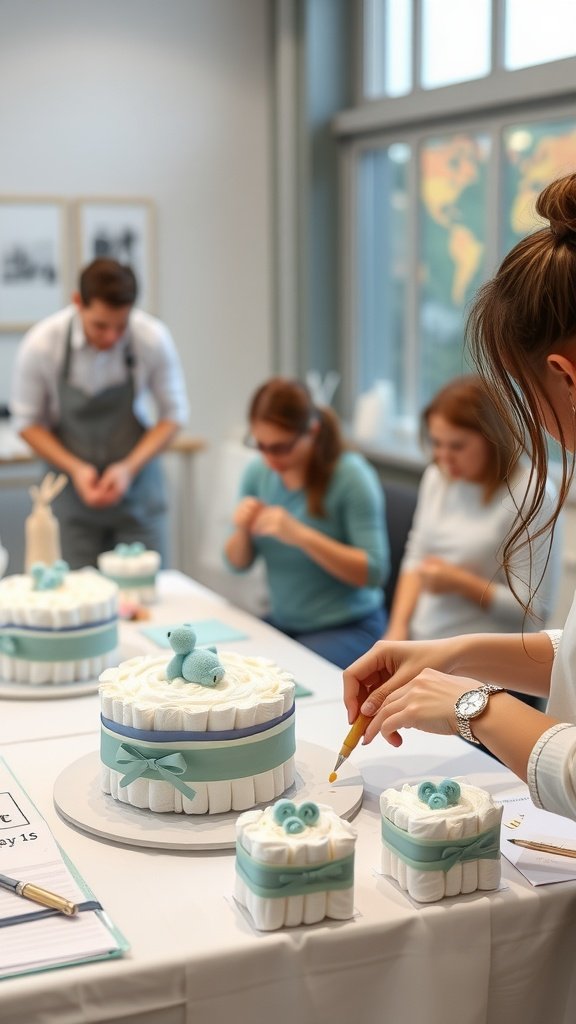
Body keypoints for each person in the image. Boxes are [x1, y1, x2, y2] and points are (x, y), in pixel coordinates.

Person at [344, 172, 576, 822]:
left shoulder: (543, 487)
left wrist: (473, 705)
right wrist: (456, 653)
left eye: (523, 395)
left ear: (562, 376)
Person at [11, 258, 189, 568]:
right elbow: (27, 424)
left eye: (121, 326)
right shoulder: (42, 345)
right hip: (70, 496)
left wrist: (128, 468)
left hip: (137, 495)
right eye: (100, 326)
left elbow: (173, 416)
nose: (111, 337)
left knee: (149, 601)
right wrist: (77, 469)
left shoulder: (152, 339)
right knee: (74, 596)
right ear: (77, 302)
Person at [224, 377, 390, 669]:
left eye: (281, 447)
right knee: (234, 671)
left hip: (348, 625)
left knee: (285, 683)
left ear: (311, 432)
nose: (270, 458)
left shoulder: (351, 476)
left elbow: (374, 572)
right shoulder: (257, 472)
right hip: (286, 623)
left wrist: (300, 535)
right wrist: (241, 529)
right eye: (261, 445)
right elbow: (236, 564)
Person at [384, 375, 560, 644]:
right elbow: (416, 555)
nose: (444, 458)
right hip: (424, 640)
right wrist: (397, 630)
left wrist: (458, 582)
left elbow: (533, 612)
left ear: (493, 439)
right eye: (436, 443)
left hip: (485, 657)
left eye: (457, 446)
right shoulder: (438, 475)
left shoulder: (532, 494)